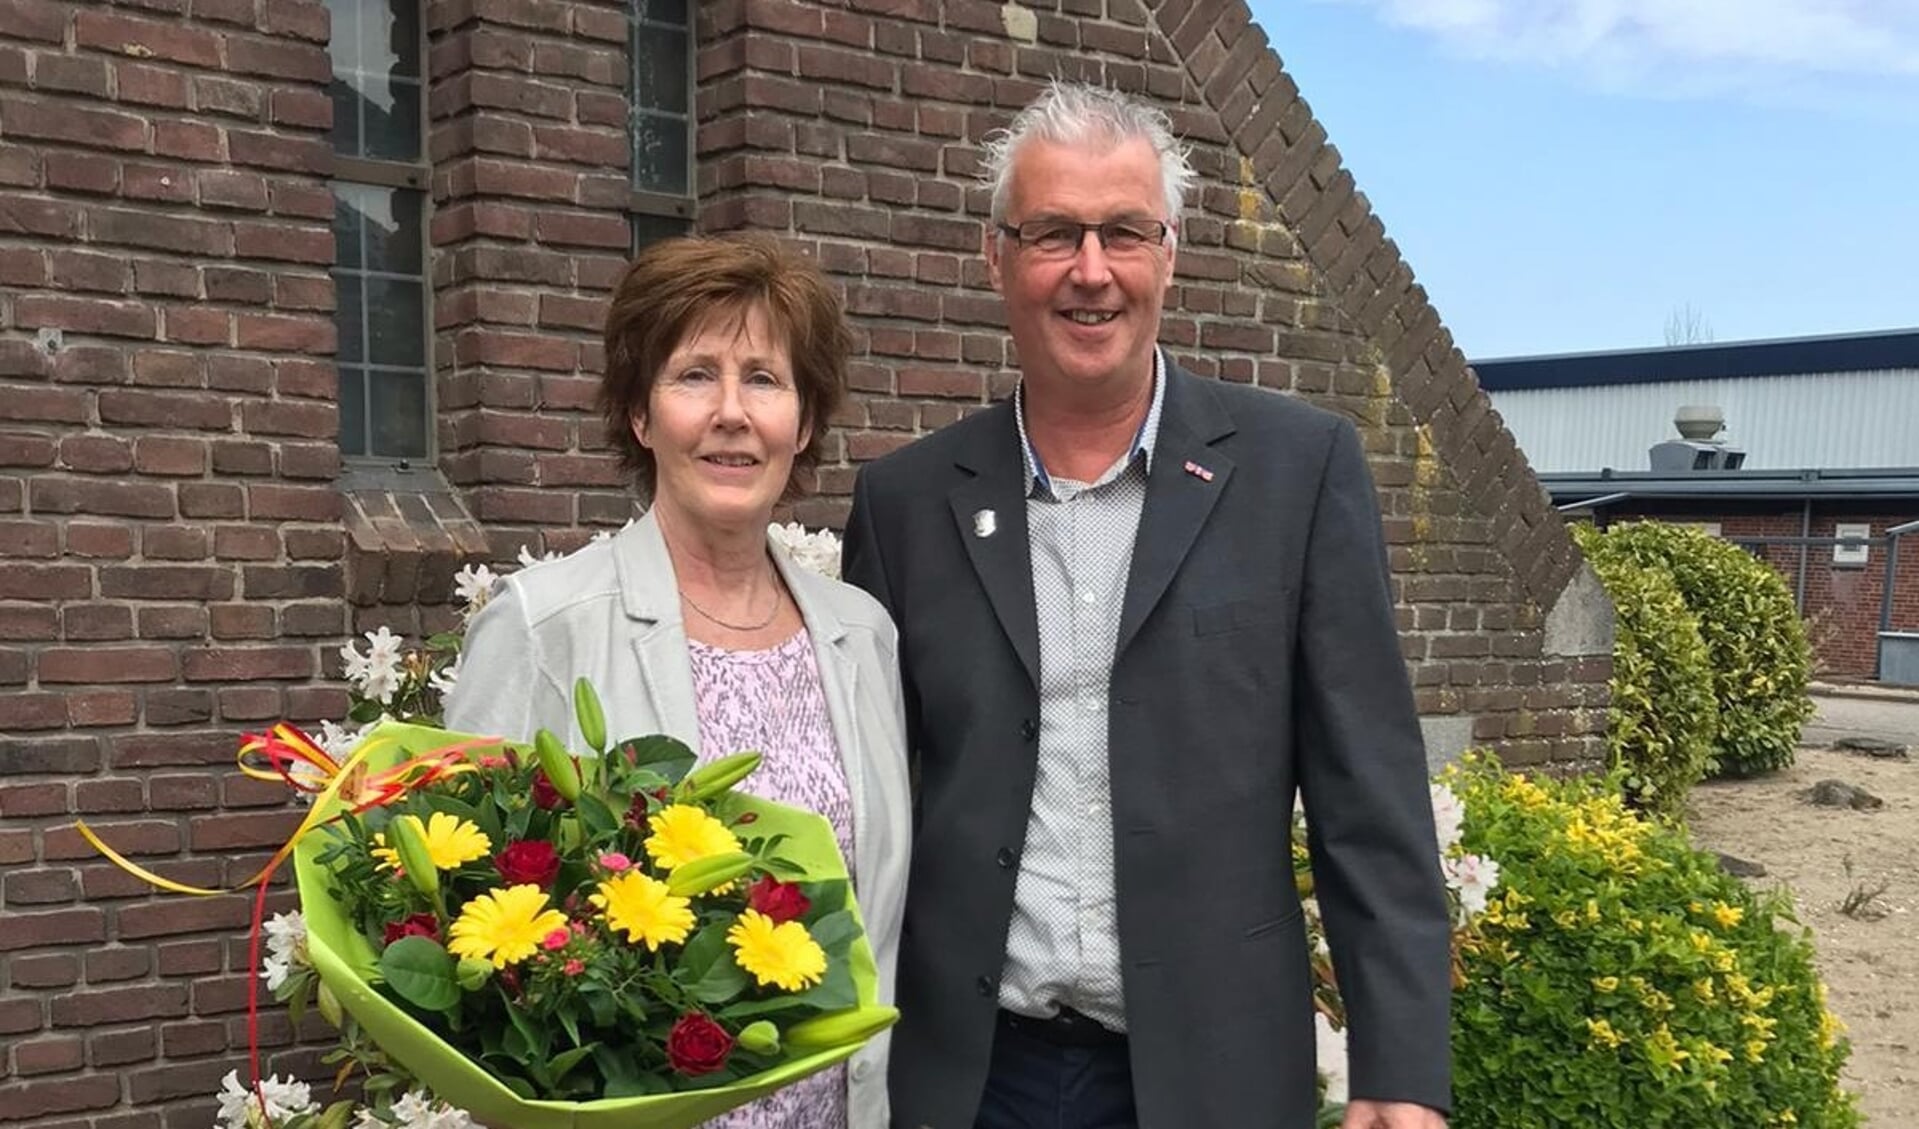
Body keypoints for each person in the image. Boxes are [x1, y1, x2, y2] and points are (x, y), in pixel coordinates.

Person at [842, 81, 1452, 1129]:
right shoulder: (901, 503)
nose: (1090, 271)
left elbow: (1369, 795)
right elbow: (866, 800)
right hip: (965, 1076)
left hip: (1208, 1073)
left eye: (1123, 231)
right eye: (1052, 234)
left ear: (1169, 253)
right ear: (997, 256)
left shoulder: (1296, 473)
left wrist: (1396, 1072)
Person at [446, 233, 910, 1129]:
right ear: (640, 414)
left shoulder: (863, 637)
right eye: (695, 375)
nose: (731, 413)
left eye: (765, 380)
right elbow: (461, 926)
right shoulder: (545, 627)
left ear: (804, 421)